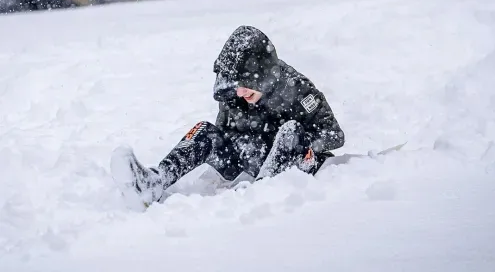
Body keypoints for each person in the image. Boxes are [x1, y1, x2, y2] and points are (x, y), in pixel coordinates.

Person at [110, 25, 345, 209]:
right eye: (236, 87)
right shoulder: (233, 93)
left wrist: (306, 146)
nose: (240, 93)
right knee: (205, 130)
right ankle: (154, 183)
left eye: (245, 86)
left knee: (291, 130)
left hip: (294, 165)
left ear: (261, 76)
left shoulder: (297, 88)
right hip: (252, 157)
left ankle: (265, 193)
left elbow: (334, 134)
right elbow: (225, 131)